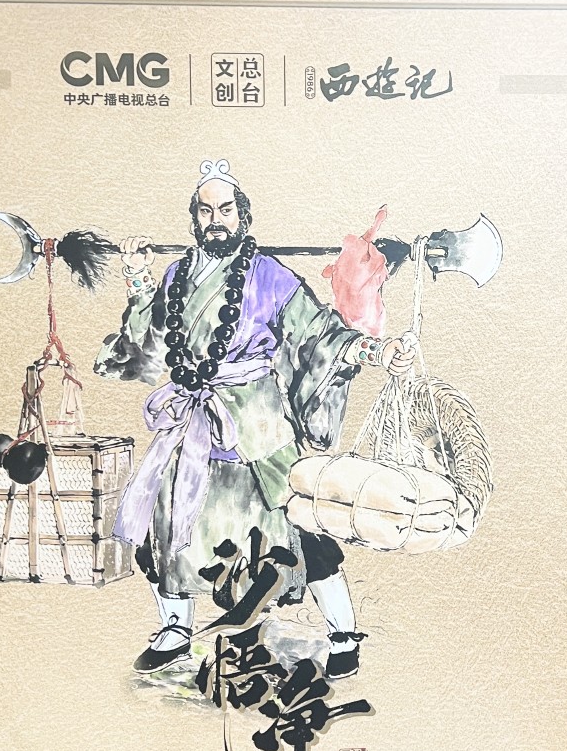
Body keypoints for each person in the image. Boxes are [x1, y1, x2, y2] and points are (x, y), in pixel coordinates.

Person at [95, 159, 414, 678]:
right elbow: (149, 347)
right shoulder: (177, 276)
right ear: (195, 219)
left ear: (242, 216)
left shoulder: (270, 276)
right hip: (192, 422)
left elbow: (319, 334)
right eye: (206, 212)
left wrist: (377, 352)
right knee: (165, 519)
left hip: (259, 426)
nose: (215, 220)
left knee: (301, 526)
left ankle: (342, 634)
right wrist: (137, 276)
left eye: (225, 210)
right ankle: (175, 628)